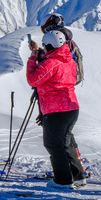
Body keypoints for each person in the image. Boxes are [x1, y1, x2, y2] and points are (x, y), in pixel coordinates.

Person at [26, 28, 85, 187]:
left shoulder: (51, 63)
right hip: (71, 108)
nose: (44, 48)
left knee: (53, 144)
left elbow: (33, 79)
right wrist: (38, 52)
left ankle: (63, 180)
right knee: (66, 143)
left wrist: (33, 57)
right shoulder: (68, 59)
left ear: (50, 46)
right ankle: (77, 176)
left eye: (45, 45)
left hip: (56, 109)